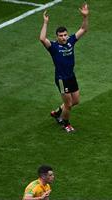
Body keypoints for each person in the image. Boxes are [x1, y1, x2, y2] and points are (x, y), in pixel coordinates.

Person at [39, 3, 89, 133]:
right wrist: (45, 23)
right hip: (61, 79)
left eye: (65, 35)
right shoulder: (54, 47)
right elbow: (42, 39)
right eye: (60, 36)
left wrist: (85, 17)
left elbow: (83, 30)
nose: (63, 37)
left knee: (75, 101)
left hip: (71, 76)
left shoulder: (71, 41)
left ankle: (57, 113)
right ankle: (65, 124)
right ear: (57, 36)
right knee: (68, 104)